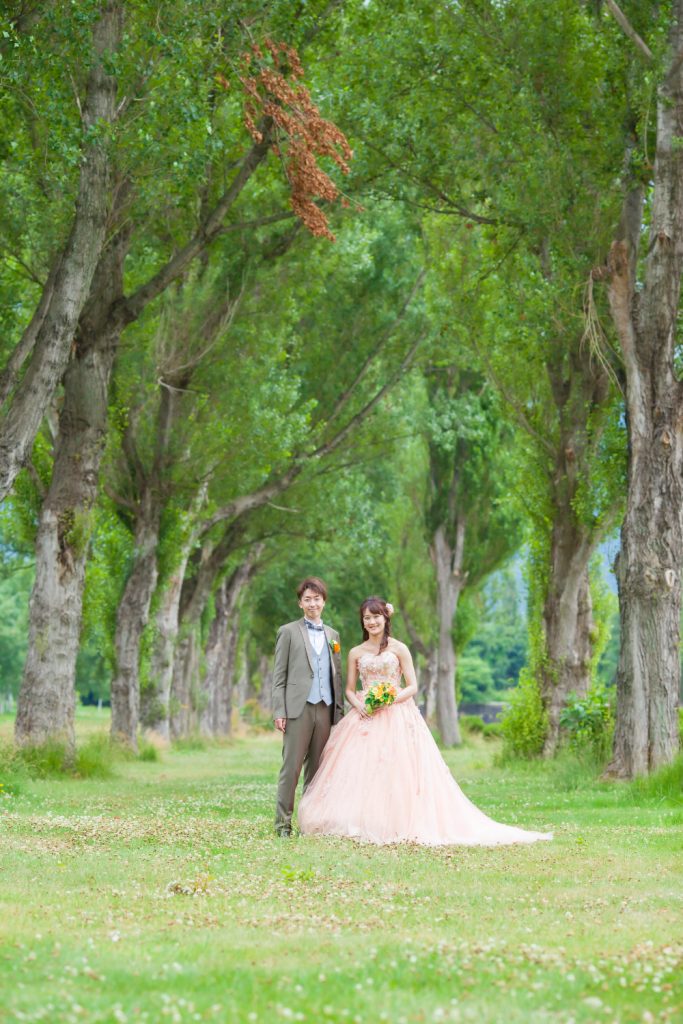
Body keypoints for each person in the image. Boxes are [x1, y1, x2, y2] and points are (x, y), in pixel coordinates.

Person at [297, 596, 552, 846]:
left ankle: (395, 821)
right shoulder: (355, 652)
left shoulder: (399, 648)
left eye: (376, 617)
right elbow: (350, 689)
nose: (371, 622)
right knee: (357, 770)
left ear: (385, 618)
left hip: (396, 713)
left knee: (397, 770)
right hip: (364, 715)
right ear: (362, 622)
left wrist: (390, 698)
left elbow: (413, 686)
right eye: (366, 618)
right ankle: (356, 820)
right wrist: (360, 704)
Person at [272, 576, 344, 837]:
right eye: (307, 599)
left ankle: (309, 825)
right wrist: (279, 710)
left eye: (317, 599)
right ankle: (282, 825)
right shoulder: (288, 632)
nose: (312, 603)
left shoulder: (333, 635)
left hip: (325, 709)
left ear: (324, 601)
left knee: (317, 771)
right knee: (291, 769)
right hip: (297, 709)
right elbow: (279, 676)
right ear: (300, 603)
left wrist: (339, 713)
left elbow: (336, 675)